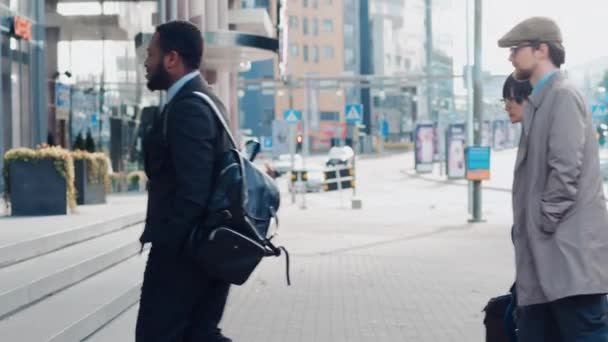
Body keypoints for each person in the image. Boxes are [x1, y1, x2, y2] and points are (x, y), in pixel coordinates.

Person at [499, 17, 608, 341]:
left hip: (568, 257)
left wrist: (542, 222)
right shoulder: (540, 101)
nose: (511, 57)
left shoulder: (562, 96)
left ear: (541, 49)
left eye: (516, 49)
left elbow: (565, 171)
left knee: (584, 334)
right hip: (546, 258)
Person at [136, 20, 232, 342]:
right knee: (199, 336)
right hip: (207, 250)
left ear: (171, 59)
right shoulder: (206, 99)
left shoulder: (188, 106)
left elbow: (194, 190)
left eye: (151, 54)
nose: (146, 63)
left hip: (185, 256)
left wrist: (169, 248)